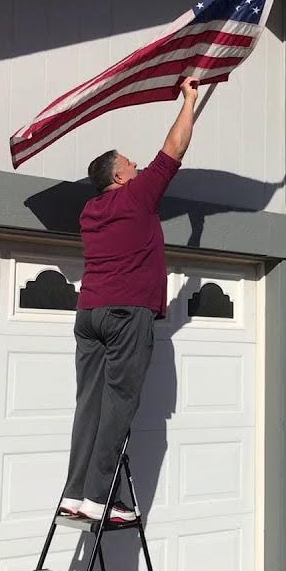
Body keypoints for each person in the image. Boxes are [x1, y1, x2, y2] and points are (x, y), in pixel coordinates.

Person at [59, 77, 200, 524]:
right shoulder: (136, 197)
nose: (138, 166)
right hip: (124, 315)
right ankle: (100, 500)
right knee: (119, 404)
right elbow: (174, 147)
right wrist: (190, 99)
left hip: (90, 314)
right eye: (130, 164)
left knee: (90, 404)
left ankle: (75, 493)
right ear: (119, 177)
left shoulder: (90, 211)